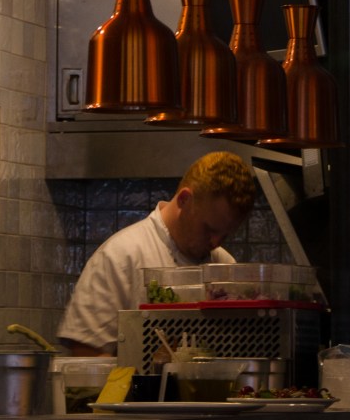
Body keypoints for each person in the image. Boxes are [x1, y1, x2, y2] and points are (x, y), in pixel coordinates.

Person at [57, 150, 259, 356]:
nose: (215, 243)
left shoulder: (223, 265)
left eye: (225, 236)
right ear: (184, 199)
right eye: (209, 229)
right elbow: (87, 352)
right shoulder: (121, 256)